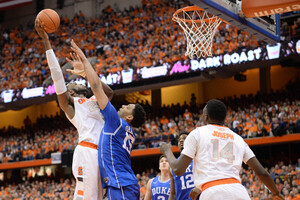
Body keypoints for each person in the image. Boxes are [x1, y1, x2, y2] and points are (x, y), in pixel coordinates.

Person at [35, 20, 114, 200]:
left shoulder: (94, 100)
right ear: (69, 92)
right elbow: (57, 78)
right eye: (69, 83)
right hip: (87, 151)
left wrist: (86, 72)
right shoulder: (71, 105)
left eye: (75, 80)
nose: (72, 81)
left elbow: (109, 93)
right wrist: (46, 42)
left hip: (103, 154)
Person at [159, 99, 284, 200]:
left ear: (206, 117)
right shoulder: (238, 138)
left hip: (212, 192)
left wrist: (167, 151)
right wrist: (276, 193)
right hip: (239, 192)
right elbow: (261, 172)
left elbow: (178, 169)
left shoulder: (197, 133)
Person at [70, 40, 146, 200]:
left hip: (121, 184)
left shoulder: (116, 123)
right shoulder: (125, 129)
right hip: (122, 183)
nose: (123, 105)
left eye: (127, 106)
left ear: (129, 117)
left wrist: (85, 63)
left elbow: (97, 88)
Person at [169, 132, 201, 200]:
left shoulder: (200, 159)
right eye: (179, 140)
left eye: (185, 139)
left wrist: (200, 188)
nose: (181, 141)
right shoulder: (173, 164)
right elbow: (172, 193)